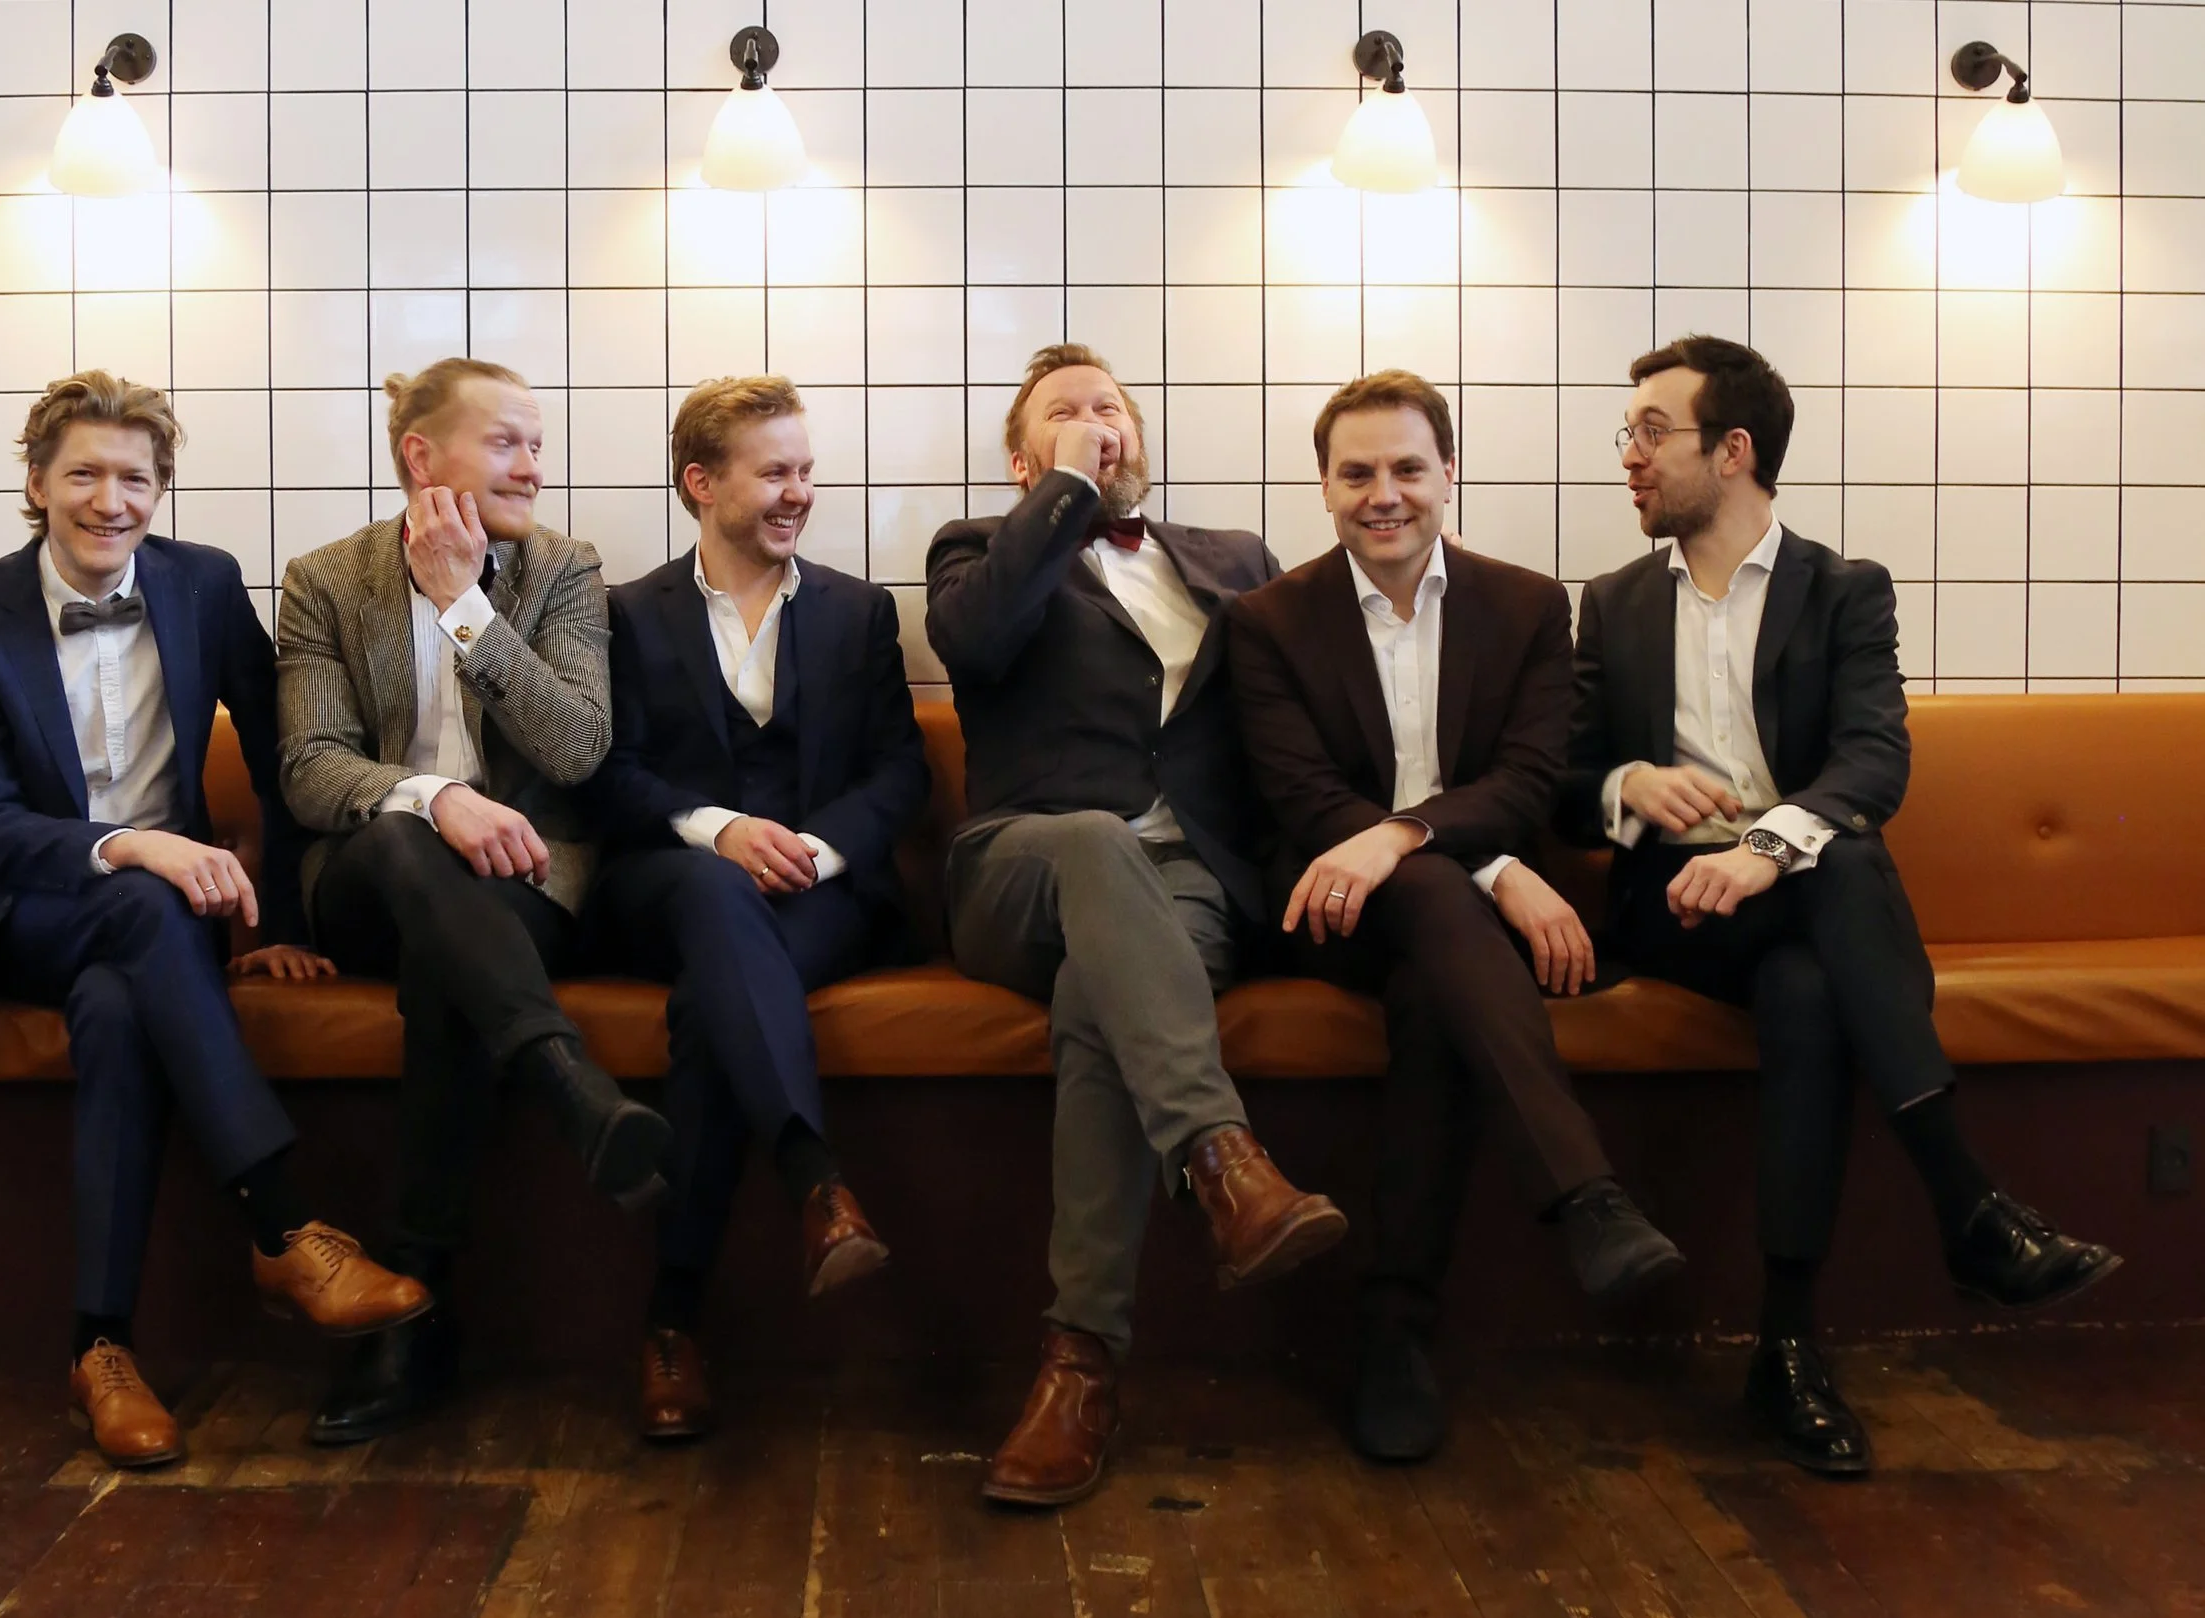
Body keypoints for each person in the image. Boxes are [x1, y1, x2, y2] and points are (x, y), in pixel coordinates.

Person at [1563, 334, 2121, 1474]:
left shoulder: (1843, 590)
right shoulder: (1612, 604)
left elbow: (1874, 760)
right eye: (1629, 433)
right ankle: (1966, 1203)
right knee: (1849, 875)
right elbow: (1560, 779)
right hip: (1671, 912)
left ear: (1733, 451)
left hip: (1791, 897)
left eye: (1653, 432)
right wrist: (1630, 784)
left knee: (1810, 983)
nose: (1629, 455)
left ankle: (1786, 1348)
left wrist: (1766, 850)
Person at [0, 371, 432, 1468]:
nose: (111, 500)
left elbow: (284, 758)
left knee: (115, 1011)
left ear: (161, 487)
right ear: (37, 484)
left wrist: (284, 921)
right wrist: (135, 845)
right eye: (83, 474)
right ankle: (283, 1223)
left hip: (157, 931)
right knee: (143, 903)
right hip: (28, 914)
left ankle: (100, 1348)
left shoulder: (202, 584)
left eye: (134, 478)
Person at [1225, 372, 1683, 1463]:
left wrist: (1415, 840)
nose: (1383, 494)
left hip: (1442, 926)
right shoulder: (1267, 620)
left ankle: (1394, 1331)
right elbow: (1304, 799)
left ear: (1448, 474)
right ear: (1324, 486)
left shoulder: (1525, 605)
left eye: (1406, 468)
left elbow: (1526, 780)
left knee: (1436, 990)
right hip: (1326, 905)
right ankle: (1584, 1194)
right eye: (1357, 473)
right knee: (1433, 893)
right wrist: (1489, 871)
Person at [927, 342, 1348, 1508]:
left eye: (1110, 407)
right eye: (1064, 414)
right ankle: (1222, 1158)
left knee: (1095, 1002)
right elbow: (975, 642)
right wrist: (1065, 493)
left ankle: (1080, 1365)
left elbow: (1305, 712)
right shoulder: (977, 550)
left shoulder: (1235, 560)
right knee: (1096, 841)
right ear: (1024, 462)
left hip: (1189, 881)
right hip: (1024, 864)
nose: (1096, 420)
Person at [276, 358, 669, 1445]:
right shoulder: (326, 579)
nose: (534, 467)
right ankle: (564, 1078)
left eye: (538, 445)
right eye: (507, 442)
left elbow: (578, 749)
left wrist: (464, 608)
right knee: (409, 841)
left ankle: (414, 1314)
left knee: (448, 966)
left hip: (523, 883)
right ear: (421, 456)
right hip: (370, 877)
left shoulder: (562, 571)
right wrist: (436, 797)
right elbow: (310, 766)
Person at [585, 378, 929, 1439]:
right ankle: (812, 1176)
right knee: (709, 890)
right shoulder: (623, 614)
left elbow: (900, 771)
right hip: (669, 881)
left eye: (805, 471)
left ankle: (672, 1320)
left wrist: (816, 852)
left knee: (712, 1008)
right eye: (775, 471)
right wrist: (720, 830)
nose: (799, 492)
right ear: (701, 482)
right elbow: (606, 774)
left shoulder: (860, 612)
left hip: (821, 894)